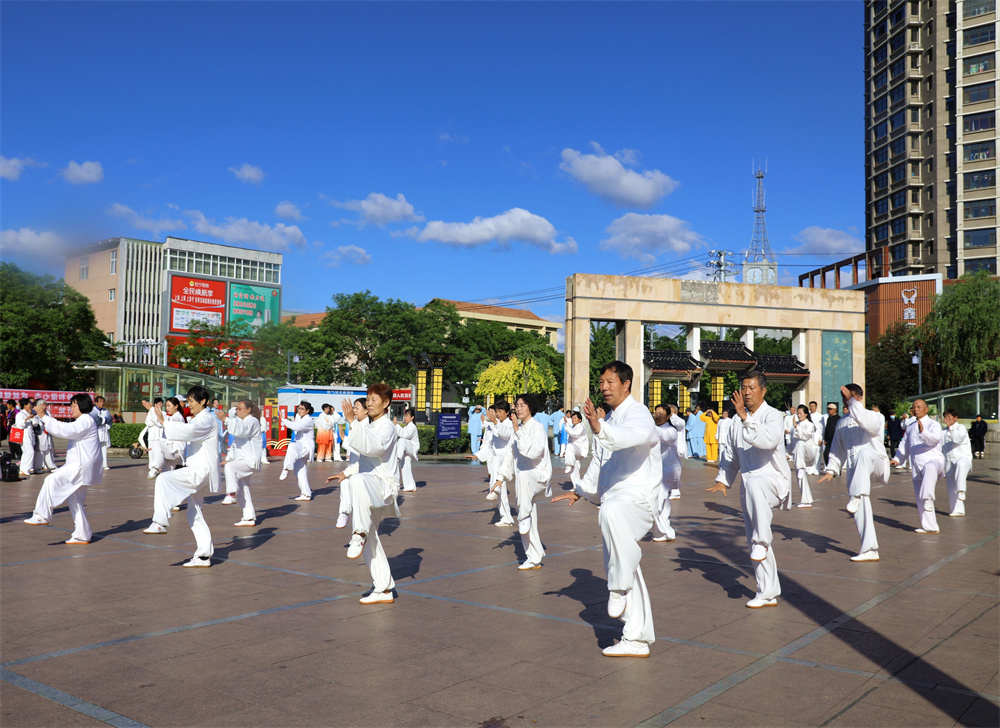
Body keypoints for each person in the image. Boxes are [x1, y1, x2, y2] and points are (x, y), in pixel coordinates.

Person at [553, 361, 659, 658]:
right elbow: (600, 462)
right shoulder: (610, 418)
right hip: (615, 497)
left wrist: (600, 427)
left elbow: (629, 437)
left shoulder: (639, 415)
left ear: (627, 384)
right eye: (601, 381)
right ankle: (636, 638)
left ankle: (617, 586)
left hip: (637, 499)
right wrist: (582, 491)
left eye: (610, 381)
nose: (604, 387)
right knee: (627, 563)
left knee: (609, 513)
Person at [706, 369, 790, 609]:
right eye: (743, 388)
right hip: (750, 486)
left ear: (763, 390)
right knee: (753, 536)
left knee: (758, 535)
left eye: (752, 388)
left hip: (773, 480)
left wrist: (745, 417)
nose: (747, 392)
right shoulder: (734, 422)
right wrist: (723, 479)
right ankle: (767, 592)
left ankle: (762, 540)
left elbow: (768, 440)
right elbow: (731, 455)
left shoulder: (774, 415)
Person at [329, 383, 400, 604]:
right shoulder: (368, 425)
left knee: (357, 483)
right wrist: (345, 472)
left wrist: (352, 421)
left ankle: (357, 533)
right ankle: (384, 588)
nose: (369, 403)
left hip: (382, 485)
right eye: (368, 399)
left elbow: (372, 449)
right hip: (368, 485)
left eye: (374, 399)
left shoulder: (387, 427)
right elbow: (361, 461)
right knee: (372, 539)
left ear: (386, 403)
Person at [142, 386, 221, 567]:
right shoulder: (200, 419)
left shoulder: (207, 419)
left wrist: (164, 422)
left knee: (163, 479)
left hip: (199, 471)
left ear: (203, 402)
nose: (189, 405)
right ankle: (203, 555)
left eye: (192, 401)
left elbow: (190, 432)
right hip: (198, 469)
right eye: (189, 401)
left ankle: (160, 522)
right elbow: (189, 430)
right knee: (195, 512)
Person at [818, 385, 889, 561]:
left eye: (850, 397)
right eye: (845, 398)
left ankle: (856, 495)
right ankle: (869, 550)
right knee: (860, 509)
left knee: (864, 454)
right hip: (856, 470)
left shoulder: (873, 416)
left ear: (858, 397)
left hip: (877, 462)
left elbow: (868, 425)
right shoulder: (842, 422)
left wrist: (852, 401)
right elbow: (837, 449)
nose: (847, 401)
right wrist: (832, 469)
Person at [22, 395, 103, 544]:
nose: (71, 409)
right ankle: (82, 534)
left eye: (73, 405)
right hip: (82, 465)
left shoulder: (85, 419)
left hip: (80, 465)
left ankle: (42, 514)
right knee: (75, 500)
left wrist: (43, 416)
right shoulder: (84, 421)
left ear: (82, 406)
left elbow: (64, 430)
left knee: (51, 479)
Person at [510, 393, 552, 570]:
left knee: (524, 513)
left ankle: (523, 516)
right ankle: (534, 555)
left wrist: (518, 432)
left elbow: (534, 452)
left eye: (522, 405)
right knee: (526, 513)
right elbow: (510, 455)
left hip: (538, 475)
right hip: (524, 480)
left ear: (530, 407)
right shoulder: (517, 429)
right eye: (517, 405)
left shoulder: (537, 427)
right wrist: (500, 478)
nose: (518, 408)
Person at [891, 399, 945, 534]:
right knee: (920, 499)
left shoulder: (934, 424)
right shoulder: (910, 427)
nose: (916, 409)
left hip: (934, 462)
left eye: (919, 407)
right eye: (914, 407)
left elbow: (934, 439)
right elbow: (905, 445)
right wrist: (897, 459)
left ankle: (928, 497)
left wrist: (923, 432)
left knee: (929, 468)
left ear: (926, 409)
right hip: (916, 465)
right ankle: (930, 527)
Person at [221, 400, 262, 527]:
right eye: (236, 408)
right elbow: (236, 444)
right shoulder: (242, 422)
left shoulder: (252, 421)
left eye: (240, 408)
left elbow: (241, 431)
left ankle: (231, 494)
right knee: (244, 488)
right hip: (242, 460)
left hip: (250, 461)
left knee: (230, 468)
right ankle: (248, 517)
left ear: (249, 410)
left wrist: (226, 420)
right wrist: (228, 457)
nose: (237, 410)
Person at [330, 398, 369, 528]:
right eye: (353, 407)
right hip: (354, 466)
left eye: (357, 408)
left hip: (366, 469)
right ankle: (344, 513)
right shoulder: (355, 424)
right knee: (345, 481)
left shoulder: (369, 426)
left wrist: (344, 440)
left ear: (366, 411)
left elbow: (363, 448)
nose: (354, 410)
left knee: (363, 508)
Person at [485, 401, 516, 527]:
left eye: (500, 412)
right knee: (501, 491)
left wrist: (496, 422)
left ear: (507, 412)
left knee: (497, 459)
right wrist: (477, 455)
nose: (497, 415)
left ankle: (494, 488)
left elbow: (507, 435)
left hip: (509, 460)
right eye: (496, 412)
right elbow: (489, 445)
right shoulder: (495, 426)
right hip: (499, 462)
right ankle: (506, 517)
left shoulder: (510, 425)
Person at [651, 405, 678, 543]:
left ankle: (660, 532)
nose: (657, 415)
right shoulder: (653, 428)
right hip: (656, 470)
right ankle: (666, 531)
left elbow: (664, 437)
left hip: (668, 469)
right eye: (656, 413)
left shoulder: (671, 430)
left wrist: (648, 424)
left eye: (661, 413)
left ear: (668, 416)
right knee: (663, 500)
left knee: (657, 498)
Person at [280, 402, 315, 501]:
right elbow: (296, 424)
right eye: (299, 408)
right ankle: (306, 494)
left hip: (305, 448)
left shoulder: (308, 420)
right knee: (300, 472)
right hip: (300, 448)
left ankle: (286, 468)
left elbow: (296, 426)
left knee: (292, 446)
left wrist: (284, 420)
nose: (299, 410)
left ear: (307, 411)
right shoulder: (300, 418)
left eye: (302, 409)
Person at [145, 398, 186, 479]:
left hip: (176, 449)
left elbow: (166, 421)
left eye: (169, 406)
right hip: (172, 448)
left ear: (176, 406)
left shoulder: (177, 417)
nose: (167, 408)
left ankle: (155, 468)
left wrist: (152, 409)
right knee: (166, 476)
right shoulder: (174, 416)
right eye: (166, 406)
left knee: (157, 442)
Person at [941, 409, 972, 518]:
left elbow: (957, 439)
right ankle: (957, 510)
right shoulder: (943, 432)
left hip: (963, 458)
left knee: (960, 464)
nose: (947, 419)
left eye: (949, 416)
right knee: (951, 487)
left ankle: (961, 490)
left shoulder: (961, 428)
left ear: (955, 418)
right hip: (949, 461)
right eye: (946, 416)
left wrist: (950, 428)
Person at [789, 405, 819, 508]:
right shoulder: (795, 425)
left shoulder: (809, 425)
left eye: (801, 413)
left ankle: (800, 467)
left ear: (806, 414)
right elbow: (792, 440)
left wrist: (797, 427)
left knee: (800, 443)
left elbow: (805, 436)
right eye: (798, 413)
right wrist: (788, 453)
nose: (799, 415)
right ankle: (806, 500)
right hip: (799, 455)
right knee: (800, 476)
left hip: (809, 452)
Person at [395, 407, 419, 492]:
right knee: (405, 467)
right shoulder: (407, 426)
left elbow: (405, 435)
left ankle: (397, 458)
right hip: (407, 449)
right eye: (404, 416)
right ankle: (410, 486)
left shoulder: (412, 427)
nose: (405, 418)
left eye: (407, 416)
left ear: (412, 417)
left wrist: (396, 425)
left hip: (411, 449)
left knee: (402, 440)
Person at [562, 410, 589, 486]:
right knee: (575, 469)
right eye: (572, 418)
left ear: (580, 419)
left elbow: (574, 434)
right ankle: (576, 486)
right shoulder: (574, 427)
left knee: (570, 446)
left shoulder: (580, 427)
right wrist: (567, 451)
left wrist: (567, 424)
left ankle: (569, 464)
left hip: (579, 450)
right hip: (575, 450)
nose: (573, 419)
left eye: (575, 418)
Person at [33, 399, 57, 472]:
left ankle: (52, 466)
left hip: (47, 434)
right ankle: (37, 468)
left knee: (48, 451)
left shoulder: (48, 413)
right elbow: (35, 423)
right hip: (40, 434)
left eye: (45, 405)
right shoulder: (35, 413)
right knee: (39, 452)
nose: (45, 407)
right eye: (43, 405)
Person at [15, 398, 37, 477]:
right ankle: (26, 468)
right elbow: (20, 425)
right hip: (24, 435)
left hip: (30, 435)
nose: (31, 406)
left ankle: (22, 469)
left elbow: (35, 424)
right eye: (29, 404)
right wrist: (28, 418)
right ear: (25, 405)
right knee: (30, 452)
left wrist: (32, 416)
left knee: (26, 453)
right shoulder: (20, 414)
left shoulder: (31, 413)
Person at [93, 396, 113, 470]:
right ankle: (95, 465)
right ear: (96, 403)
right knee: (95, 449)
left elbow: (110, 419)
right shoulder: (93, 411)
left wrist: (105, 421)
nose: (102, 403)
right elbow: (96, 421)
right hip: (97, 431)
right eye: (100, 402)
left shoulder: (106, 411)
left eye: (103, 402)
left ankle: (104, 464)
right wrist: (104, 419)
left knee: (104, 448)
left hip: (104, 431)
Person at [822, 402, 840, 467]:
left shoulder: (838, 419)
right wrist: (825, 439)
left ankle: (836, 469)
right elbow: (827, 429)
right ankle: (829, 468)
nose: (829, 411)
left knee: (834, 456)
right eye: (828, 409)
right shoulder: (829, 418)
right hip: (829, 441)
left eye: (830, 409)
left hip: (836, 441)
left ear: (835, 409)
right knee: (826, 454)